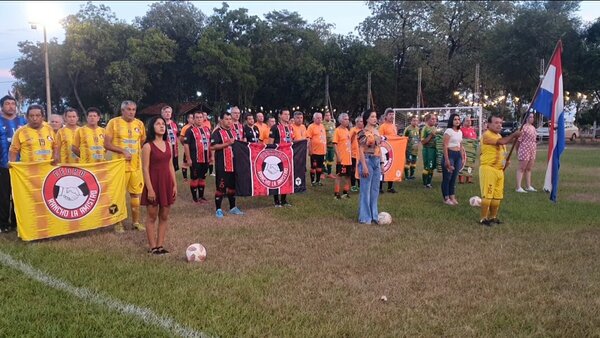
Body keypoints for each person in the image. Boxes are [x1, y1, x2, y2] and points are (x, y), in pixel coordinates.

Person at [104, 100, 147, 233]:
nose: (131, 112)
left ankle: (135, 222)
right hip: (119, 167)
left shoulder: (139, 124)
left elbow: (142, 141)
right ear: (122, 110)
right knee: (118, 195)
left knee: (136, 195)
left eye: (133, 109)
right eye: (128, 109)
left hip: (135, 166)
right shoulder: (113, 123)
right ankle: (117, 222)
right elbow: (106, 144)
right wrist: (122, 151)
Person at [141, 116, 177, 255]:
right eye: (158, 124)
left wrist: (174, 185)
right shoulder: (147, 146)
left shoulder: (168, 144)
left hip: (166, 182)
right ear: (152, 127)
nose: (162, 126)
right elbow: (145, 168)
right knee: (151, 216)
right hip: (153, 183)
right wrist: (149, 188)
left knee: (164, 216)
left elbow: (170, 166)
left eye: (163, 124)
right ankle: (153, 247)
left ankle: (160, 245)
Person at [479, 115, 521, 226]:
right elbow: (501, 142)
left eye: (501, 123)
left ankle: (493, 217)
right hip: (488, 168)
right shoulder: (486, 135)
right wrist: (513, 135)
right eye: (496, 122)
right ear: (488, 124)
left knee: (497, 196)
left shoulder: (498, 135)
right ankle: (483, 218)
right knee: (488, 195)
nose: (499, 125)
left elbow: (502, 151)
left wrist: (505, 163)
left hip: (499, 170)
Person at [211, 111, 244, 218]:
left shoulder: (233, 131)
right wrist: (227, 144)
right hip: (222, 164)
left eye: (230, 119)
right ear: (221, 120)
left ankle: (233, 207)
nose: (229, 121)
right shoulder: (217, 132)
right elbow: (212, 147)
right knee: (221, 188)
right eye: (226, 119)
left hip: (233, 163)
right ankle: (218, 209)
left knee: (232, 187)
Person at [0, 95, 25, 233]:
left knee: (19, 195)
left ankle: (17, 222)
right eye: (7, 104)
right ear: (2, 107)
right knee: (4, 195)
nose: (10, 106)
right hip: (3, 165)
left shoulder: (23, 121)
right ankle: (3, 224)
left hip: (22, 167)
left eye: (12, 104)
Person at [357, 110, 382, 224]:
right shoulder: (362, 132)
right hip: (367, 160)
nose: (374, 118)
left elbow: (379, 148)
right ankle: (365, 217)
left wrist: (381, 163)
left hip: (376, 161)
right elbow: (361, 150)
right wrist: (364, 166)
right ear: (366, 119)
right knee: (365, 190)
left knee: (375, 190)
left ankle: (374, 216)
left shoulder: (377, 131)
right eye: (372, 117)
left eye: (375, 116)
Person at [184, 112, 212, 203]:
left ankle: (201, 196)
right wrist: (188, 158)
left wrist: (211, 156)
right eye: (197, 117)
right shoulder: (190, 131)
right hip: (195, 159)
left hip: (206, 158)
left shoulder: (207, 129)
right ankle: (195, 198)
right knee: (195, 178)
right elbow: (186, 145)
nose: (199, 119)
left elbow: (210, 144)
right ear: (193, 119)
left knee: (203, 178)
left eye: (201, 117)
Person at [268, 109, 294, 207]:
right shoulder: (275, 128)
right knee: (276, 177)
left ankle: (283, 200)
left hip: (288, 156)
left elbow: (292, 140)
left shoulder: (290, 128)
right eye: (285, 114)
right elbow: (270, 143)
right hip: (277, 157)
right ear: (280, 115)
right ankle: (276, 200)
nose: (287, 116)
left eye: (288, 114)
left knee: (286, 178)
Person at [441, 114, 466, 205]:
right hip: (450, 154)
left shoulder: (460, 132)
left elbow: (461, 145)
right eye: (455, 119)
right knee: (447, 177)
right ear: (451, 120)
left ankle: (452, 196)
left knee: (454, 178)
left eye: (458, 119)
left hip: (457, 155)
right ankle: (446, 198)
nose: (457, 121)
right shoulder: (448, 131)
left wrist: (462, 157)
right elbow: (445, 145)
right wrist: (447, 160)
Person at [516, 112, 538, 193]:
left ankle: (528, 186)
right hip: (524, 148)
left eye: (532, 117)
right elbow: (518, 140)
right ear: (526, 118)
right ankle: (518, 187)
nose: (532, 118)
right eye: (530, 117)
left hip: (532, 148)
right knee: (522, 168)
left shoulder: (533, 127)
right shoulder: (523, 128)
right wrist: (517, 150)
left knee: (529, 168)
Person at [333, 113, 352, 199]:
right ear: (340, 121)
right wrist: (338, 156)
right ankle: (336, 193)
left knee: (348, 176)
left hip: (348, 158)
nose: (347, 121)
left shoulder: (347, 130)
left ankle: (345, 192)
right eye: (345, 119)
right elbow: (335, 144)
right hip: (342, 158)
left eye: (348, 119)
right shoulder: (337, 130)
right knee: (339, 175)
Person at [378, 108, 398, 193]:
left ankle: (390, 187)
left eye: (392, 114)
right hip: (384, 151)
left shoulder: (394, 126)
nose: (392, 116)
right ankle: (380, 187)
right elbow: (380, 139)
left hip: (392, 151)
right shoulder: (382, 127)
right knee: (383, 168)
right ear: (386, 116)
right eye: (390, 114)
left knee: (391, 167)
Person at [306, 112, 327, 186]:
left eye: (321, 118)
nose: (319, 119)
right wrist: (310, 149)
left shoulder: (322, 126)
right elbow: (308, 138)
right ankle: (312, 182)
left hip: (322, 151)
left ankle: (318, 181)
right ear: (314, 118)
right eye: (318, 118)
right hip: (314, 151)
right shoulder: (311, 127)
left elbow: (323, 138)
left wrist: (325, 148)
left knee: (319, 167)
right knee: (313, 167)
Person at [421, 114, 438, 188]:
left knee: (432, 167)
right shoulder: (425, 128)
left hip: (434, 150)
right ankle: (425, 183)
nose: (434, 120)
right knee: (427, 167)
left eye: (435, 119)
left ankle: (429, 183)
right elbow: (423, 142)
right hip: (427, 150)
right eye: (432, 119)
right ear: (427, 120)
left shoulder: (435, 128)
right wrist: (430, 135)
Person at [458, 117, 477, 184]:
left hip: (471, 151)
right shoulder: (461, 130)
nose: (469, 122)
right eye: (467, 121)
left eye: (470, 120)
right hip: (464, 150)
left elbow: (474, 139)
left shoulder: (472, 130)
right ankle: (461, 179)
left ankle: (469, 179)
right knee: (463, 163)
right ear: (463, 122)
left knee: (470, 164)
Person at [161, 105, 179, 172]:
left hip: (174, 150)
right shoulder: (160, 124)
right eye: (166, 112)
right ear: (162, 114)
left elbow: (177, 136)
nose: (167, 113)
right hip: (164, 149)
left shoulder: (174, 124)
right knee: (164, 168)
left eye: (169, 112)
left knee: (173, 169)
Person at [349, 116, 363, 192]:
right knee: (353, 170)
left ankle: (360, 185)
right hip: (353, 154)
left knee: (360, 170)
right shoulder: (353, 130)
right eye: (360, 121)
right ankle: (353, 185)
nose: (362, 123)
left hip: (362, 155)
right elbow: (349, 141)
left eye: (362, 121)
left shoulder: (363, 131)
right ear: (357, 122)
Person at [403, 116, 420, 180]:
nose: (415, 122)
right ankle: (406, 176)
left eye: (416, 120)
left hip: (415, 149)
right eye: (413, 120)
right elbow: (404, 138)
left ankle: (412, 175)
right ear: (411, 121)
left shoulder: (418, 129)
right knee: (408, 162)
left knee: (414, 162)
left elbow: (418, 138)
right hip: (409, 149)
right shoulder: (408, 129)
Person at [179, 112, 194, 181]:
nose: (192, 119)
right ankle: (185, 178)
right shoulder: (185, 127)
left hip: (194, 150)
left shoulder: (196, 127)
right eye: (191, 118)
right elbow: (181, 138)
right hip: (187, 148)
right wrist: (185, 145)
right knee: (185, 163)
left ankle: (193, 176)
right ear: (188, 119)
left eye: (193, 118)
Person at [323, 111, 336, 178]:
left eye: (329, 115)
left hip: (332, 145)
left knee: (330, 159)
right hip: (325, 145)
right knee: (324, 159)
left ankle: (329, 173)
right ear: (324, 116)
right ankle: (322, 173)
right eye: (326, 115)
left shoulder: (333, 123)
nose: (328, 116)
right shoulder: (322, 124)